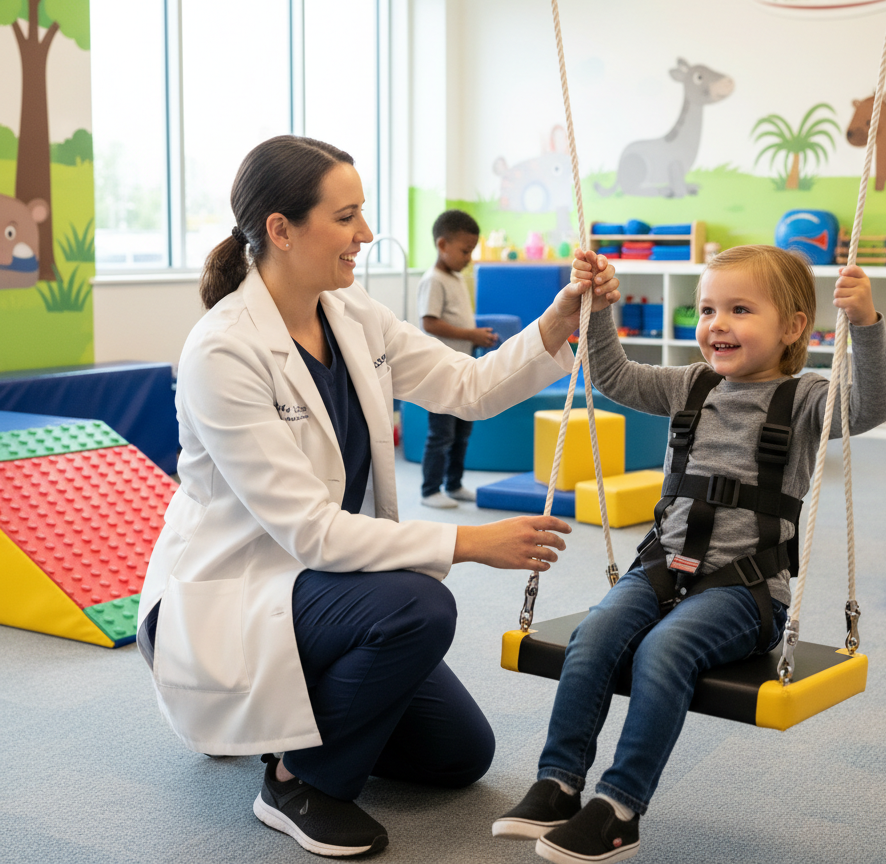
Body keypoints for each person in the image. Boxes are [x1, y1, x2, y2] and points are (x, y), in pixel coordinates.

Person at [136, 135, 620, 859]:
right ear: (280, 229)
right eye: (347, 216)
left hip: (314, 590)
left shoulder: (350, 310)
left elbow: (468, 387)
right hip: (232, 595)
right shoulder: (222, 350)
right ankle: (296, 780)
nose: (365, 234)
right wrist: (467, 542)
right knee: (419, 605)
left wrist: (556, 321)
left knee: (460, 757)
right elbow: (311, 533)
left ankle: (282, 721)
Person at [493, 245, 886, 864]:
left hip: (746, 590)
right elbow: (612, 374)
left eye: (740, 309)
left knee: (664, 650)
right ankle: (559, 783)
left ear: (792, 326)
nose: (718, 324)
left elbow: (869, 408)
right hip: (662, 566)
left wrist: (865, 325)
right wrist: (599, 308)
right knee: (595, 635)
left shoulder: (808, 398)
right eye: (708, 309)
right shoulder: (691, 385)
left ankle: (620, 807)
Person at [417, 209, 496, 508]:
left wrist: (475, 335)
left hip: (461, 367)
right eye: (465, 251)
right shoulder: (433, 280)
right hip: (440, 371)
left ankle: (454, 483)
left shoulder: (456, 277)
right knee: (441, 434)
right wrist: (470, 335)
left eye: (471, 251)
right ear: (442, 245)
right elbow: (430, 322)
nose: (469, 258)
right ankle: (429, 490)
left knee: (462, 431)